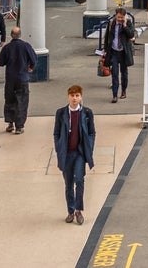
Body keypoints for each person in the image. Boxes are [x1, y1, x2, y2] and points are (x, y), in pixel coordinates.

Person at [53, 85, 96, 225]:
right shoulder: (61, 113)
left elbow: (91, 132)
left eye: (77, 95)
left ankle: (78, 210)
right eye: (72, 95)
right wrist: (59, 148)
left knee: (79, 180)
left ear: (81, 97)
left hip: (79, 153)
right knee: (68, 184)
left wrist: (89, 147)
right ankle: (70, 211)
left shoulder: (87, 113)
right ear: (68, 96)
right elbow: (57, 133)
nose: (74, 98)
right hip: (66, 153)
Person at [0, 26, 37, 134]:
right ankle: (19, 126)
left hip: (10, 78)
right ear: (20, 35)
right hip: (22, 78)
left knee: (10, 100)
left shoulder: (7, 48)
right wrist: (30, 67)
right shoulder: (26, 46)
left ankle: (10, 122)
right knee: (22, 101)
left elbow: (1, 62)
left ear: (11, 35)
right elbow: (34, 59)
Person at [101, 7, 135, 103]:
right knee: (114, 74)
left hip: (124, 52)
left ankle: (123, 91)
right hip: (114, 52)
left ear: (124, 17)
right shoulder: (111, 23)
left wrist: (124, 26)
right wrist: (105, 49)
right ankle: (114, 95)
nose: (120, 19)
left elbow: (131, 35)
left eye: (122, 17)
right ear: (116, 15)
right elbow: (107, 36)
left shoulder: (127, 23)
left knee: (124, 73)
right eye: (118, 17)